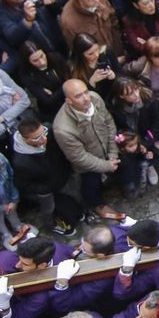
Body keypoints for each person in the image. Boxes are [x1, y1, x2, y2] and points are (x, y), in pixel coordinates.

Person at [53, 79, 123, 221]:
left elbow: (108, 122)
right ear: (68, 101)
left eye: (86, 92)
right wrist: (106, 165)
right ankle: (96, 204)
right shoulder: (63, 129)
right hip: (88, 163)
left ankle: (108, 187)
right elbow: (79, 157)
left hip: (106, 148)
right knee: (91, 183)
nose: (86, 98)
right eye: (79, 96)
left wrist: (112, 152)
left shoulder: (95, 98)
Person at [11, 118, 79, 237]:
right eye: (37, 138)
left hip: (61, 175)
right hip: (45, 189)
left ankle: (76, 212)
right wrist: (45, 188)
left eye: (44, 133)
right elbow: (23, 185)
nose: (44, 139)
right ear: (25, 139)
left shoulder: (49, 132)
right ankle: (51, 225)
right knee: (49, 209)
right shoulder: (21, 162)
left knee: (71, 195)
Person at [59, 0, 125, 57]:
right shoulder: (68, 22)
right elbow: (78, 52)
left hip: (117, 52)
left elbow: (114, 24)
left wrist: (119, 51)